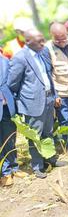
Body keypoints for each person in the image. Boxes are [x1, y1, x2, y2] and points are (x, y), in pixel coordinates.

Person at [7, 29, 67, 179]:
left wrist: (55, 95)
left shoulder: (44, 51)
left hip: (48, 99)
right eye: (39, 40)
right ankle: (37, 166)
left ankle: (51, 159)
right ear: (28, 42)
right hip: (32, 104)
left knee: (48, 132)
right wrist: (26, 100)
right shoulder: (20, 58)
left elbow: (48, 74)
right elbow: (12, 83)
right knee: (35, 136)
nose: (42, 43)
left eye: (42, 39)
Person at [1, 55, 25, 186]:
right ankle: (4, 173)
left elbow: (12, 83)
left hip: (7, 107)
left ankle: (14, 168)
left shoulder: (5, 60)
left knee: (10, 139)